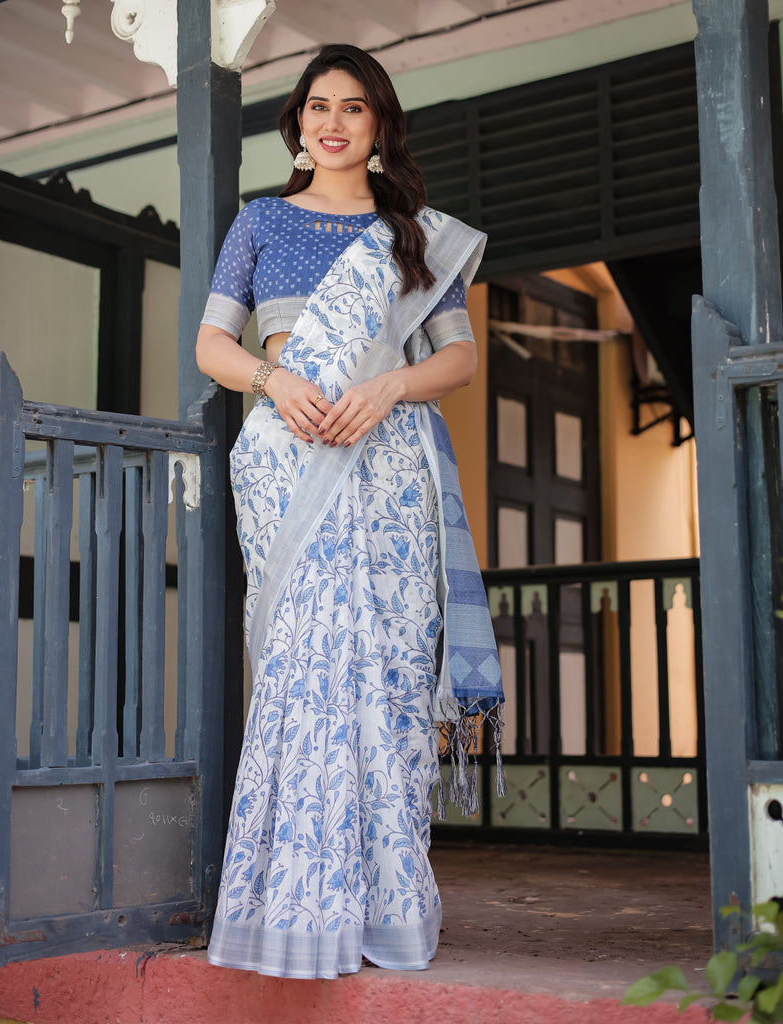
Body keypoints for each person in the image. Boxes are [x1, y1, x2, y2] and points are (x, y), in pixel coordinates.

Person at [196, 43, 504, 981]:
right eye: (316, 106)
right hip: (289, 458)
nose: (331, 121)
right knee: (303, 667)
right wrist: (273, 380)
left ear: (378, 128)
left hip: (390, 464)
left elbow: (459, 360)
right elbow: (212, 343)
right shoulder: (259, 222)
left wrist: (389, 390)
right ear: (296, 123)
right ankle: (291, 909)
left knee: (389, 669)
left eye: (353, 108)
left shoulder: (415, 233)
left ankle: (386, 908)